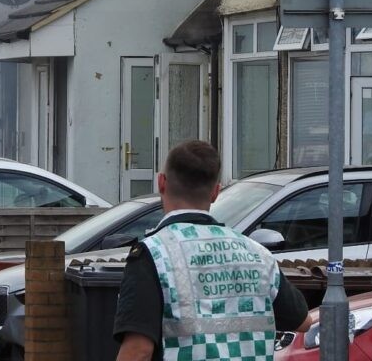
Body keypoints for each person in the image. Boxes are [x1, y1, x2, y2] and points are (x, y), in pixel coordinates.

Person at [114, 140, 310, 361]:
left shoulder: (154, 254)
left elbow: (138, 351)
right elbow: (302, 321)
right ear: (216, 192)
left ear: (161, 183)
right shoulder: (257, 255)